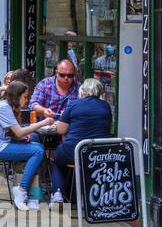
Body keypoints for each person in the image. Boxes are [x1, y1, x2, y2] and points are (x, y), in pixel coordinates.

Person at [0, 80, 55, 211]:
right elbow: (20, 131)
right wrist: (42, 123)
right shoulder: (4, 108)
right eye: (25, 97)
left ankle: (32, 195)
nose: (27, 100)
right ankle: (22, 191)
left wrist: (19, 138)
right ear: (17, 96)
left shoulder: (5, 105)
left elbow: (13, 133)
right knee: (38, 151)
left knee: (37, 147)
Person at [47, 77, 113, 205]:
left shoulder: (74, 104)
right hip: (99, 153)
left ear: (82, 92)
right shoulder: (105, 106)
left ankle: (58, 194)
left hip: (74, 150)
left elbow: (60, 130)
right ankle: (88, 197)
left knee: (58, 162)